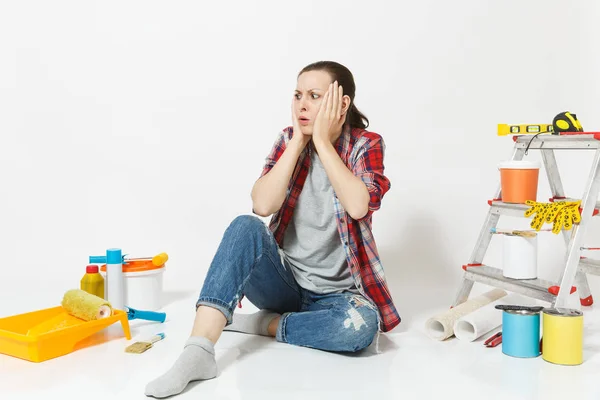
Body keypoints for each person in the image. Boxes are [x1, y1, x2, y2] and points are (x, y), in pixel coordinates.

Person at [144, 61, 400, 398]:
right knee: (245, 226)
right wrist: (298, 144)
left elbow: (358, 206)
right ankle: (199, 352)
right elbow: (262, 205)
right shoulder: (287, 139)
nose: (302, 105)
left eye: (314, 96)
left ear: (341, 103)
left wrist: (322, 143)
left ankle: (261, 324)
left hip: (336, 297)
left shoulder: (366, 145)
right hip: (284, 284)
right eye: (297, 95)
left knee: (362, 330)